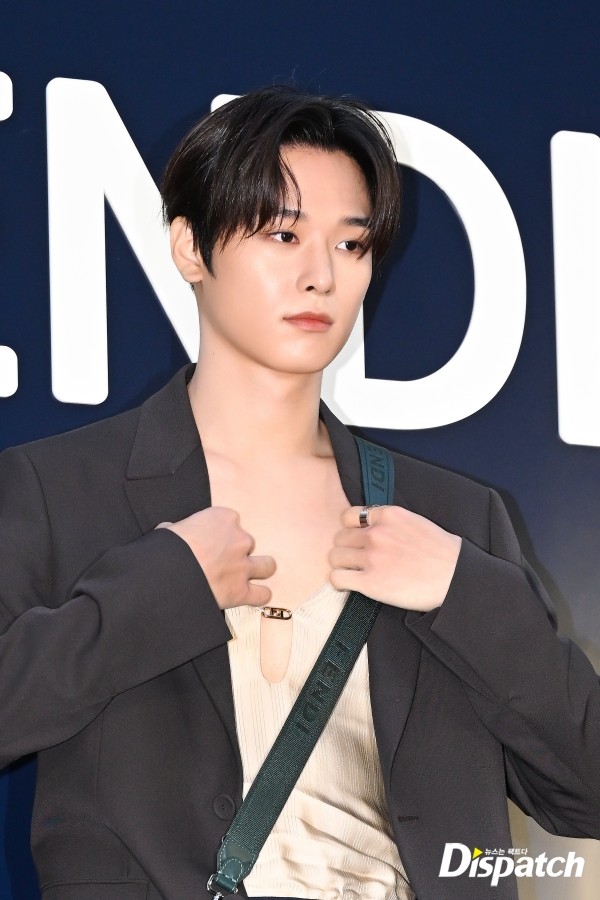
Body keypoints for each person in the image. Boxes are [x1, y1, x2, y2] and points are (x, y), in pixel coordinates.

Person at [0, 86, 598, 900]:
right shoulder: (57, 490)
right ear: (190, 247)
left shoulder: (451, 519)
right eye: (283, 235)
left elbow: (586, 792)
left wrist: (463, 593)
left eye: (352, 245)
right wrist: (154, 595)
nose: (321, 276)